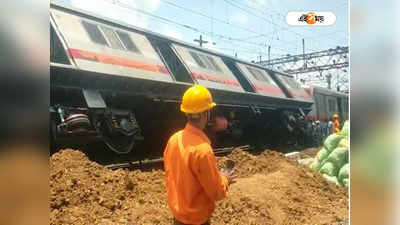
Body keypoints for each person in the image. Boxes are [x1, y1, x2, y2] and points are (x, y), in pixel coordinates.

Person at [163, 85, 236, 225]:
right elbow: (216, 193)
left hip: (178, 216)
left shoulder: (174, 139)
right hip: (196, 220)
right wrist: (224, 179)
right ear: (206, 113)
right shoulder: (203, 150)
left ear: (186, 113)